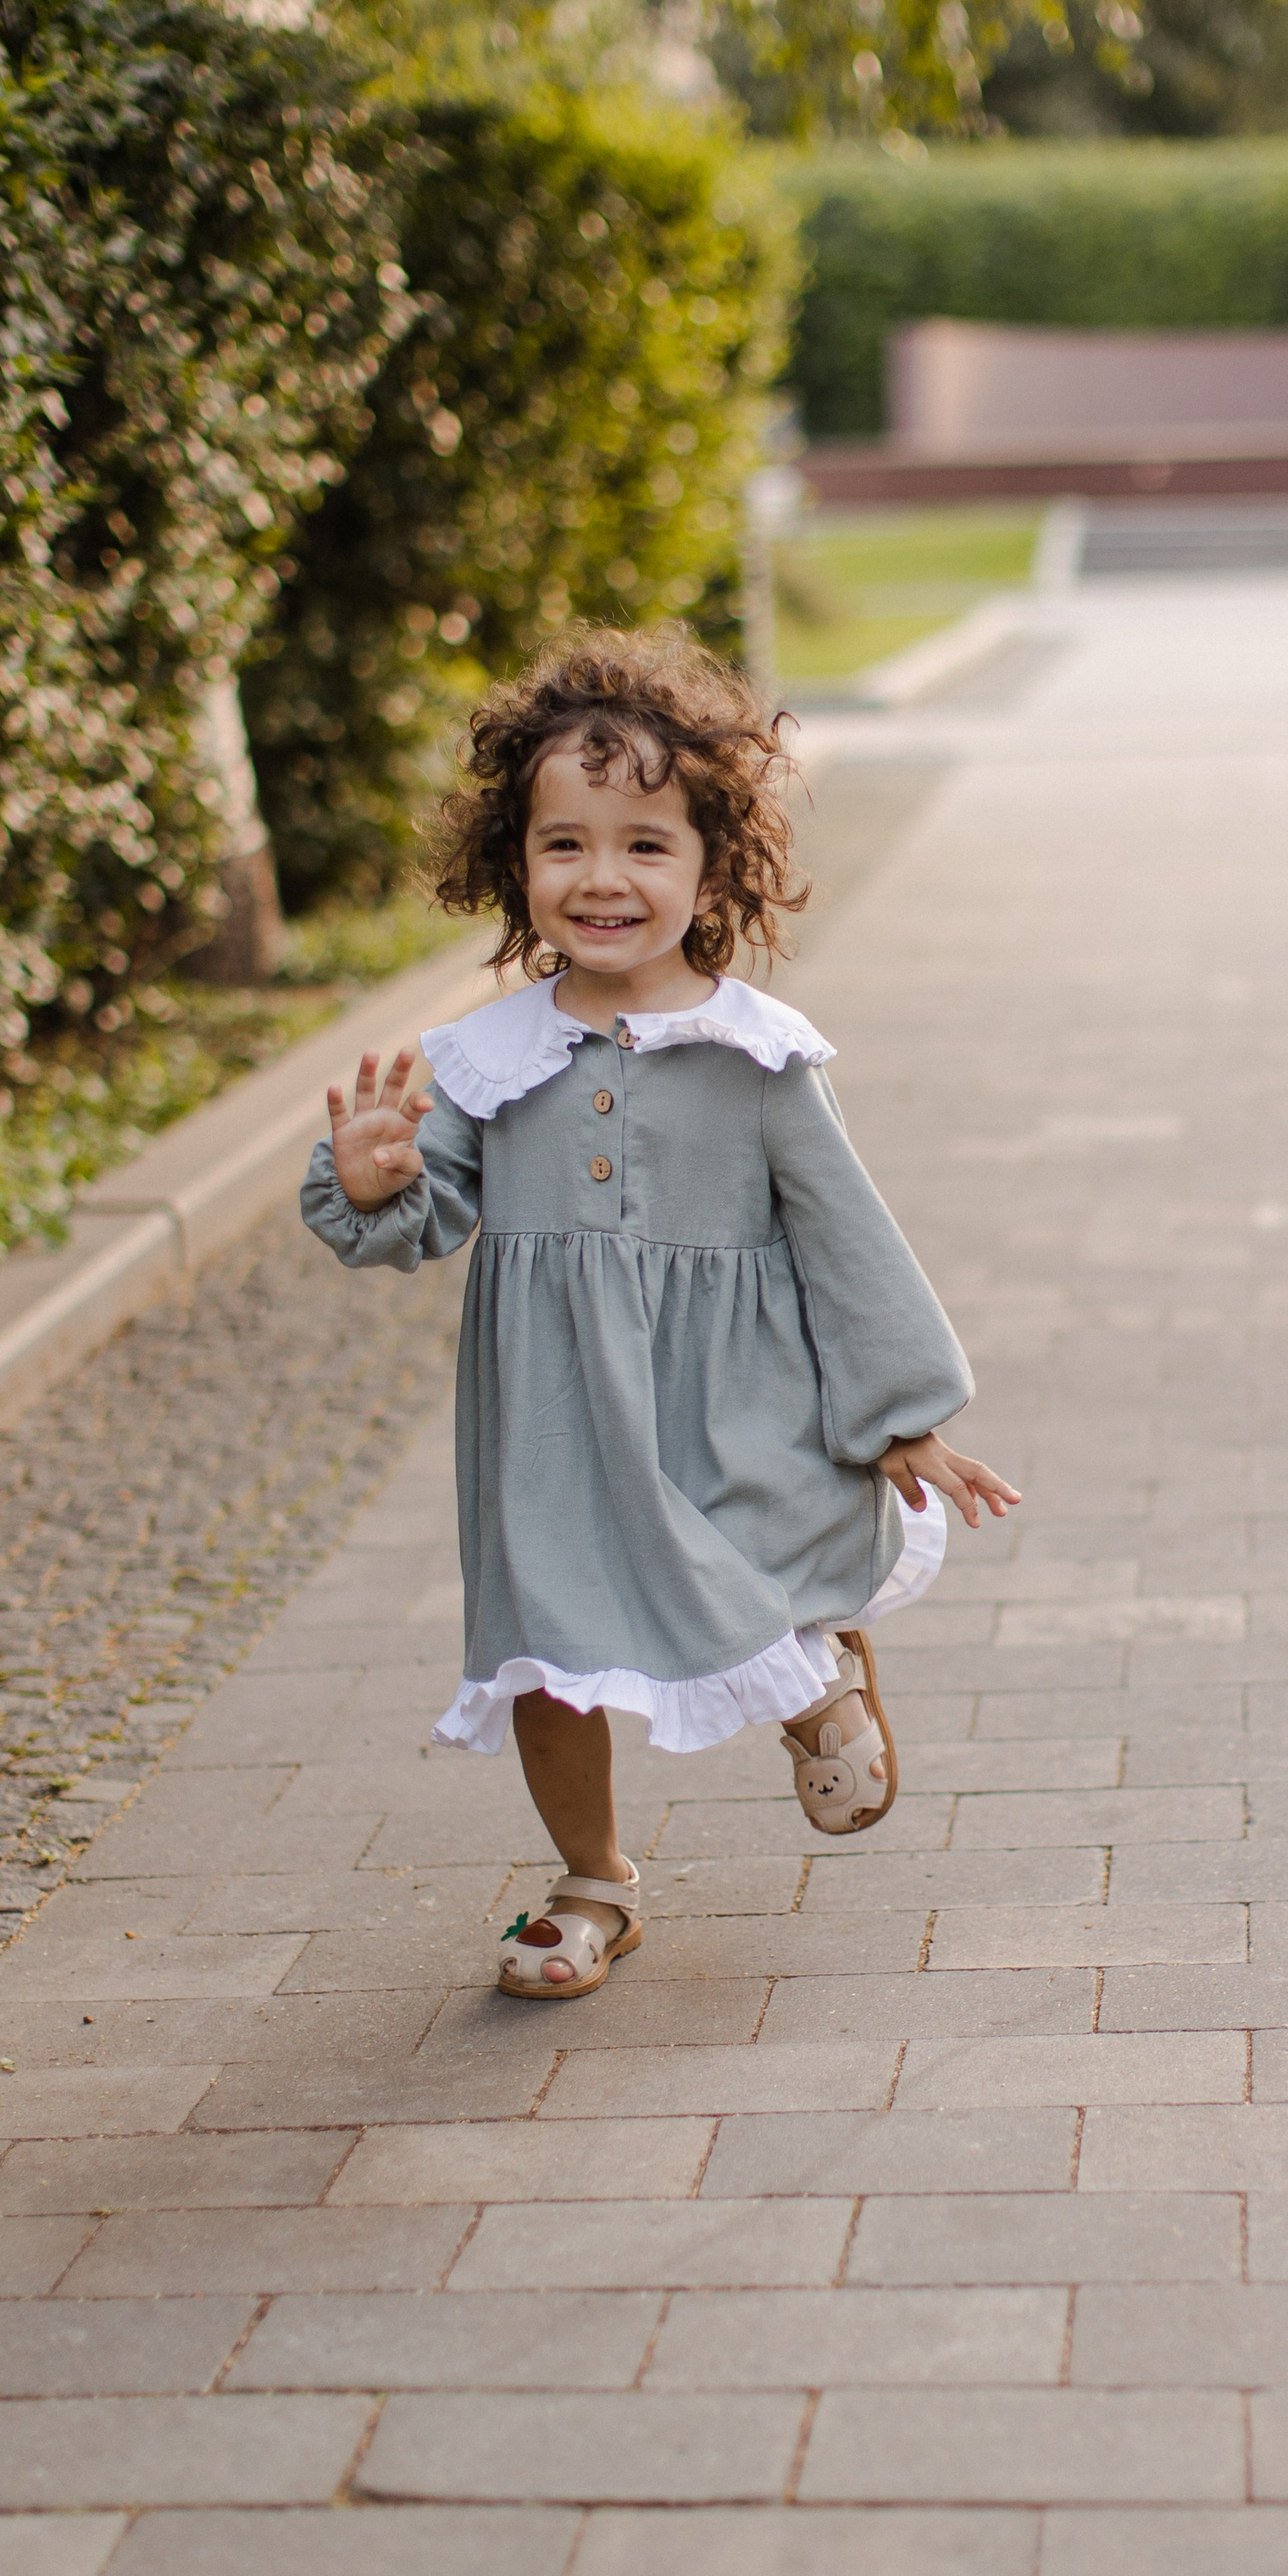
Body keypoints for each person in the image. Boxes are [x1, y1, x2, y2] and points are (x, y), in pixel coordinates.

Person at [301, 626, 1017, 2001]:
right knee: (552, 1649)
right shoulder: (487, 1061)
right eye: (565, 844)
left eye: (644, 844)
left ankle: (811, 1679)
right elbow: (422, 1213)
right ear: (516, 863)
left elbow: (845, 1236)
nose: (603, 878)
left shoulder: (759, 1059)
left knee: (734, 1570)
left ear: (710, 864)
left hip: (729, 1403)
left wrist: (906, 1415)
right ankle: (592, 1882)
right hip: (558, 1420)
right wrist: (375, 1179)